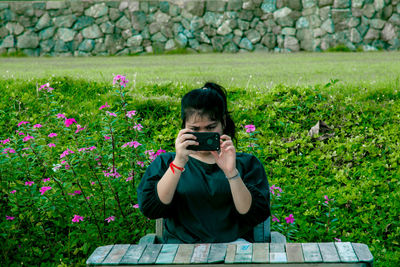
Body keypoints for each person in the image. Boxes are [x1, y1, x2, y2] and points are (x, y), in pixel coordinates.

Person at [137, 82, 270, 244]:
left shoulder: (247, 164)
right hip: (180, 251)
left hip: (233, 249)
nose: (203, 135)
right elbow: (152, 208)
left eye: (210, 127)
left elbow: (252, 214)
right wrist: (179, 162)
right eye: (195, 129)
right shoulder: (166, 163)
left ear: (223, 123)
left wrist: (231, 173)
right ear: (184, 127)